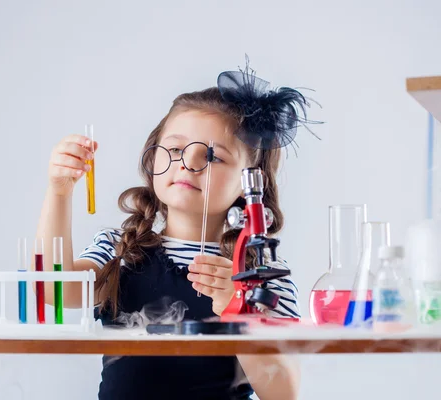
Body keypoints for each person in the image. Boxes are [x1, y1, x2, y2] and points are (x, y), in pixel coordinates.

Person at [36, 59, 318, 399]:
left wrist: (238, 308)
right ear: (152, 158)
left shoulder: (262, 273)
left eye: (213, 157)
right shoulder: (119, 248)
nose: (189, 163)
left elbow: (283, 393)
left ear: (250, 182)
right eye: (174, 149)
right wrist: (59, 192)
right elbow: (52, 290)